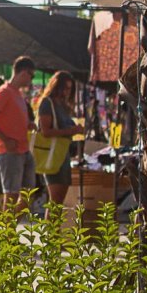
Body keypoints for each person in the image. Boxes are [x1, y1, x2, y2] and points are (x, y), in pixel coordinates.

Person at [0, 57, 37, 213]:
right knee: (11, 195)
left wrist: (28, 124)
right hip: (10, 151)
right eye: (31, 75)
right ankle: (7, 234)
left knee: (28, 195)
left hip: (24, 149)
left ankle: (8, 229)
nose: (31, 80)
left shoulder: (17, 94)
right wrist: (5, 140)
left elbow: (12, 118)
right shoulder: (5, 92)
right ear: (22, 72)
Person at [36, 72, 85, 206]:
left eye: (69, 89)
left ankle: (55, 227)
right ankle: (51, 227)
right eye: (64, 88)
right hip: (52, 155)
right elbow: (45, 131)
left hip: (63, 154)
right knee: (55, 200)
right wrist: (70, 131)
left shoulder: (63, 106)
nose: (66, 92)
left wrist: (76, 130)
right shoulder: (48, 103)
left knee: (59, 201)